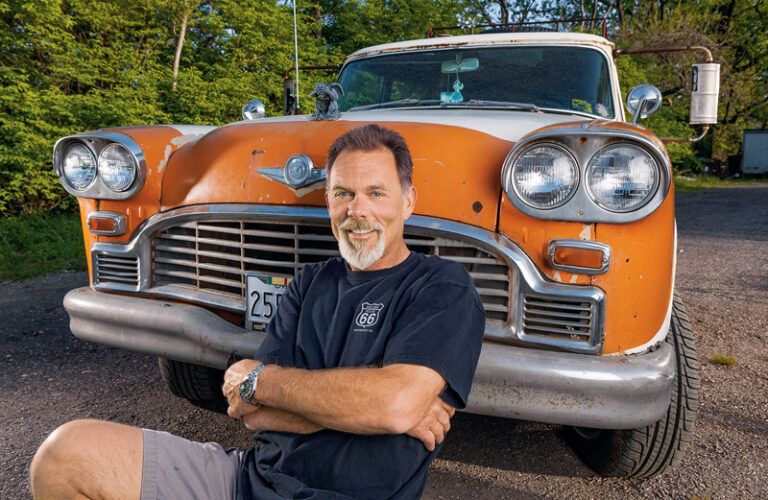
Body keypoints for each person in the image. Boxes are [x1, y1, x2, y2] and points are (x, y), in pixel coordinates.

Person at [30, 124, 485, 499]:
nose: (356, 210)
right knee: (65, 454)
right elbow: (247, 409)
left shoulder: (440, 285)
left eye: (376, 193)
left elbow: (393, 405)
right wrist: (371, 408)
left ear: (408, 201)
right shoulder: (310, 283)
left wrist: (264, 381)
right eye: (342, 193)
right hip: (248, 481)